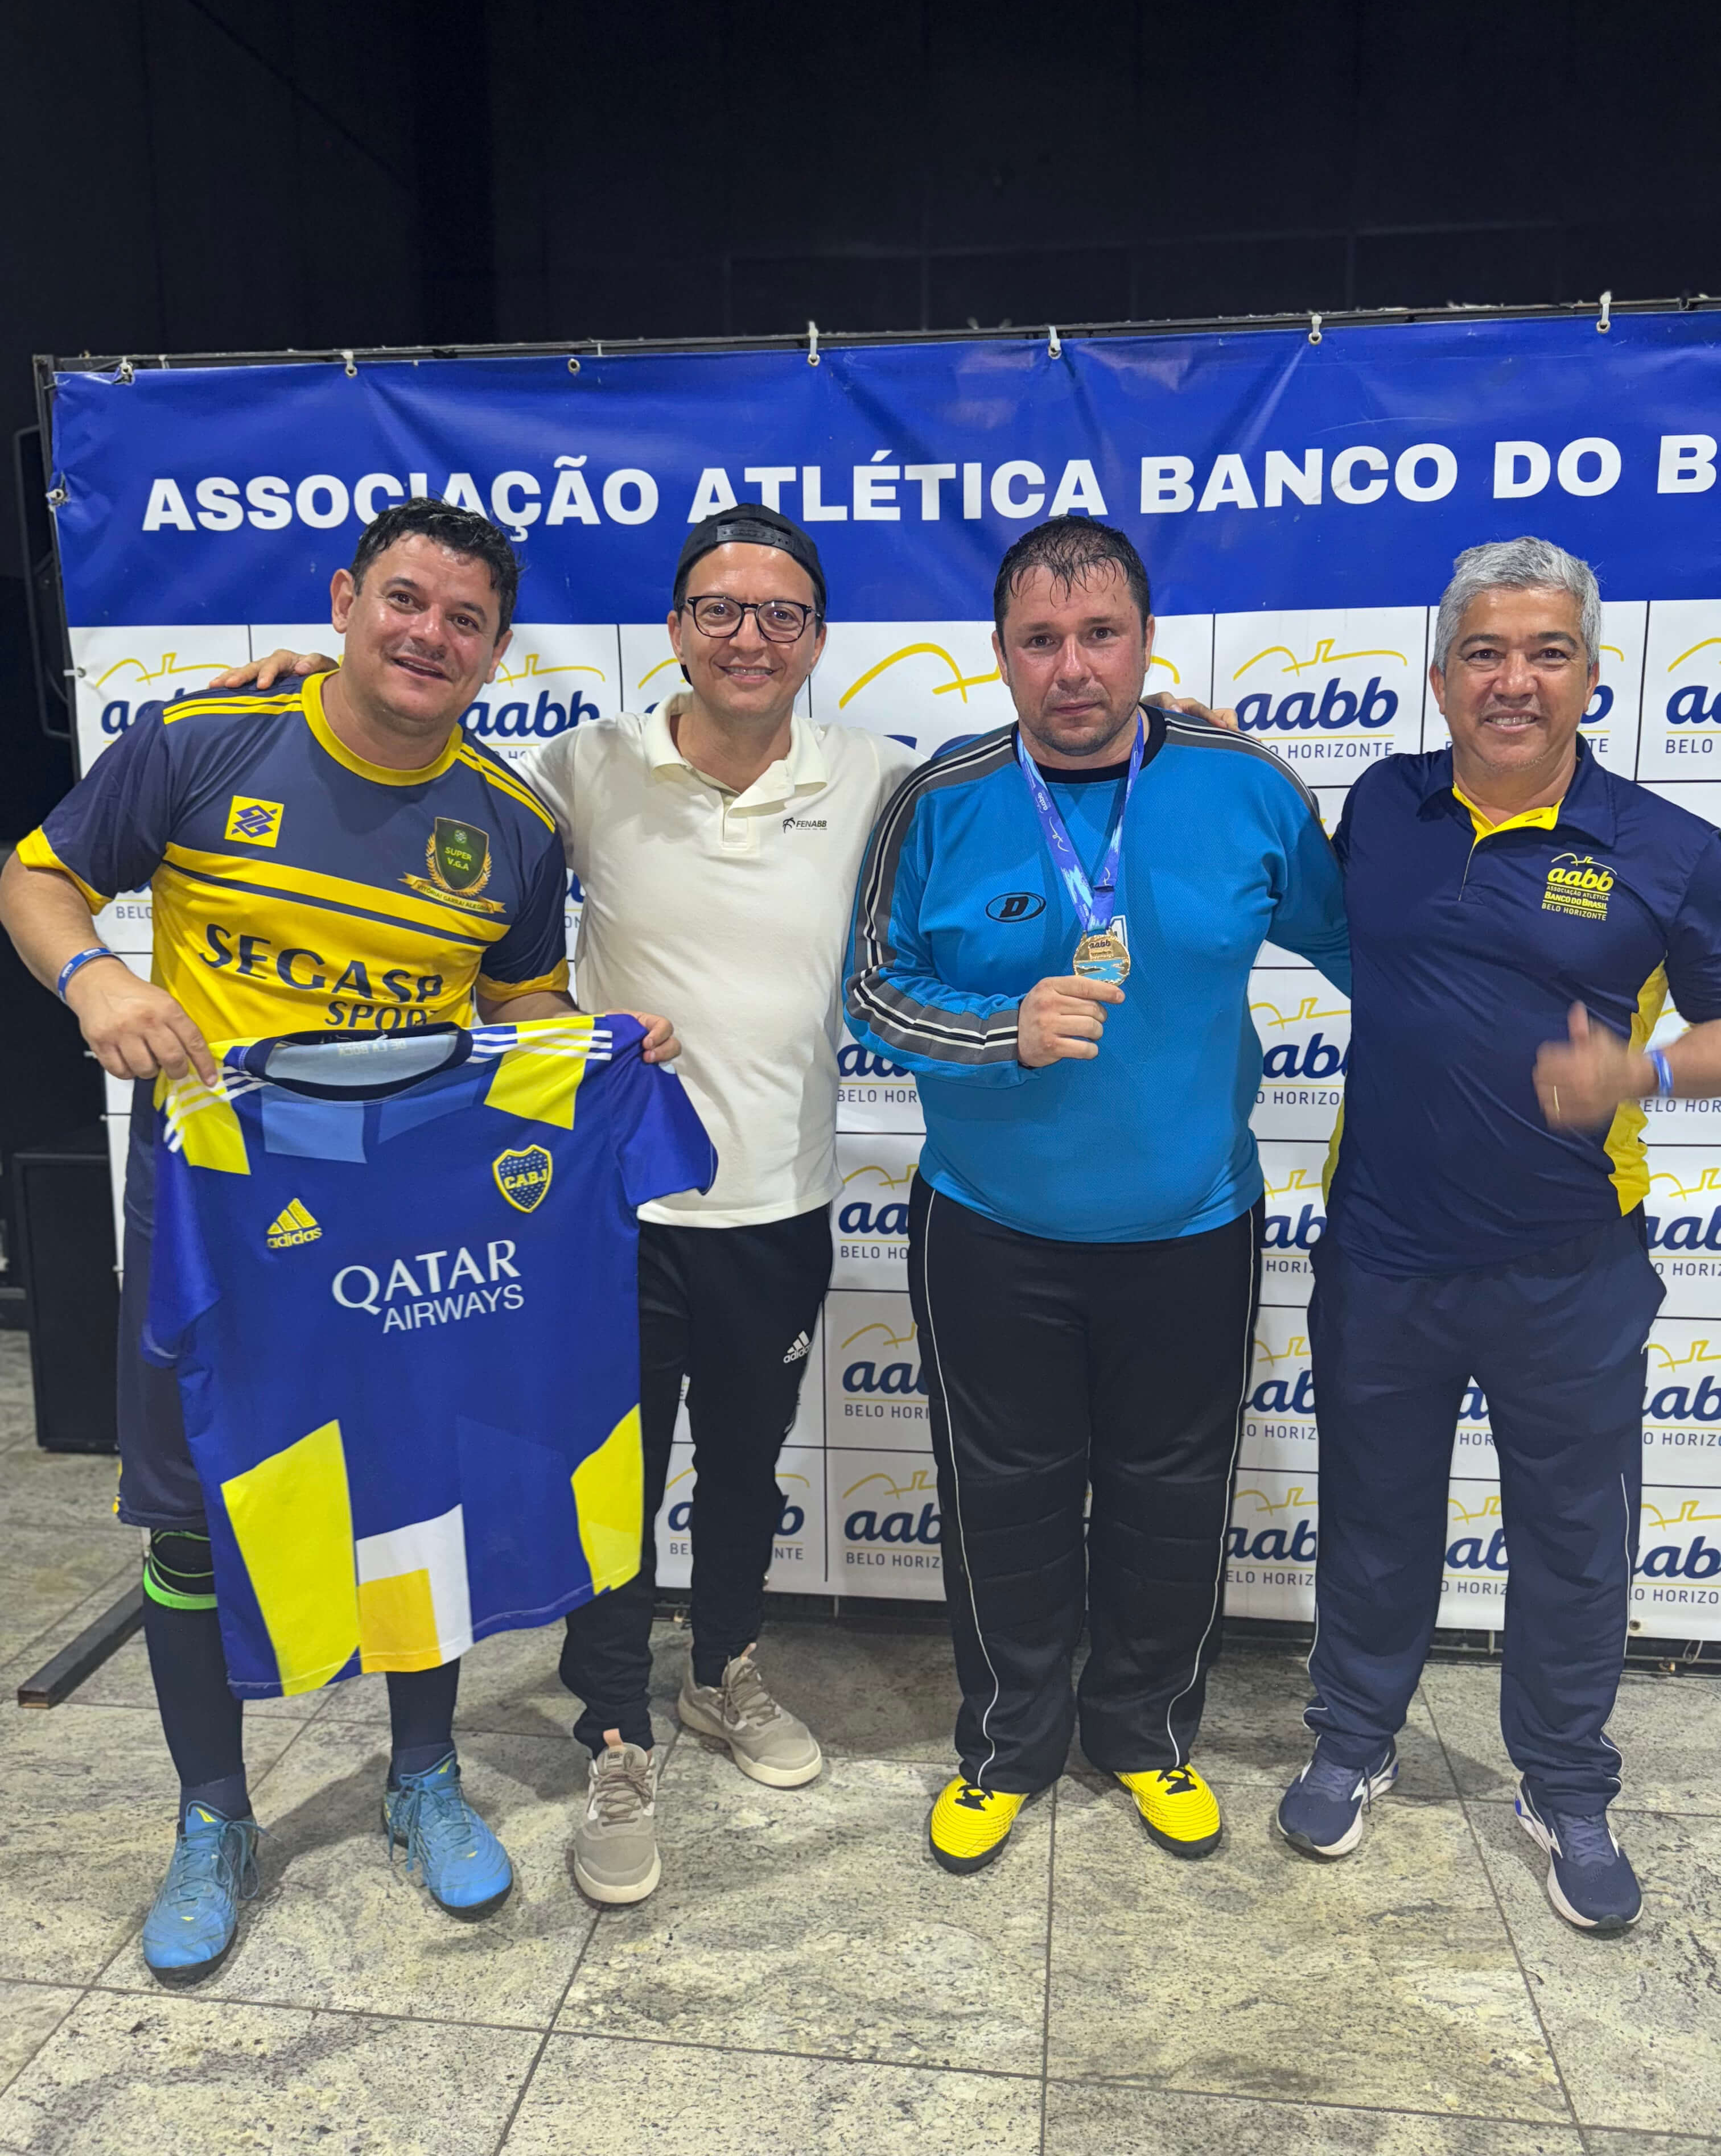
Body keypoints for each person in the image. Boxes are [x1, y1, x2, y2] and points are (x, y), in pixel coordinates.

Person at [0, 498, 675, 1984]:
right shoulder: (202, 744)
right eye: (405, 601)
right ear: (344, 599)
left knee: (415, 1495)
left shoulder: (510, 827)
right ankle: (211, 1818)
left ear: (496, 651)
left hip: (406, 1227)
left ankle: (421, 1775)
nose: (430, 635)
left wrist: (600, 1045)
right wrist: (97, 982)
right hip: (220, 1217)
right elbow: (36, 877)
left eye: (465, 620)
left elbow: (519, 1009)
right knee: (196, 1522)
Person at [221, 504, 916, 1906]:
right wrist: (296, 690)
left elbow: (1031, 784)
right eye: (720, 610)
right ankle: (613, 1726)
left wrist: (1166, 722)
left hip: (780, 1200)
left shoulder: (881, 779)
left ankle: (723, 1669)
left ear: (816, 640)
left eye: (781, 615)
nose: (749, 637)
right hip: (604, 1210)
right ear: (675, 629)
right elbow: (419, 777)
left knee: (747, 1464)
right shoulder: (578, 767)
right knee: (612, 1477)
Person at [843, 515, 1350, 1873]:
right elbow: (874, 989)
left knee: (1172, 1501)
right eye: (1042, 640)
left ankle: (1148, 1733)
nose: (1074, 667)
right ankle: (1007, 1744)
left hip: (1193, 1227)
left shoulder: (1244, 784)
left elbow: (1369, 939)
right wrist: (999, 1030)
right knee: (1000, 1499)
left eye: (1101, 634)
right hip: (989, 1226)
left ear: (1146, 642)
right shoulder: (938, 798)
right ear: (1000, 654)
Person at [1277, 535, 1721, 1939]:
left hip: (1570, 1269)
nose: (1513, 680)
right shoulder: (1386, 803)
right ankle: (1354, 1740)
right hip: (1382, 1255)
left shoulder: (1670, 849)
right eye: (1485, 652)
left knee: (1576, 1545)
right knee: (1376, 1519)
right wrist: (1231, 761)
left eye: (1546, 653)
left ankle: (1568, 1787)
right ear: (1441, 678)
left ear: (1593, 677)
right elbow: (1290, 883)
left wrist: (1642, 1071)